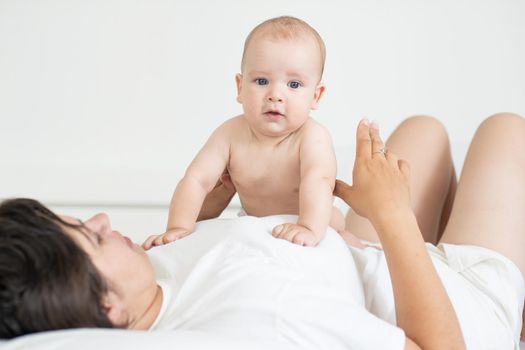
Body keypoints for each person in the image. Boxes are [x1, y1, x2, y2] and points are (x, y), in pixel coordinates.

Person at [1, 113, 524, 350]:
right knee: (507, 131)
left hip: (360, 254)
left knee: (422, 130)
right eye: (90, 238)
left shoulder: (147, 277)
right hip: (458, 300)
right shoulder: (270, 324)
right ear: (105, 309)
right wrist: (394, 217)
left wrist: (213, 210)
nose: (102, 221)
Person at [143, 16, 342, 249]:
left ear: (315, 96)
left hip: (319, 224)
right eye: (261, 80)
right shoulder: (230, 134)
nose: (275, 94)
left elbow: (319, 180)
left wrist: (308, 227)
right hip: (257, 225)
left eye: (294, 84)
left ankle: (354, 243)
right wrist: (179, 226)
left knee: (353, 247)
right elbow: (196, 180)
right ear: (239, 87)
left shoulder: (312, 137)